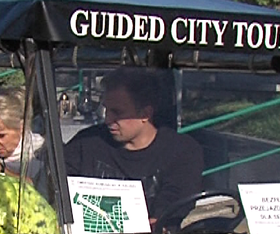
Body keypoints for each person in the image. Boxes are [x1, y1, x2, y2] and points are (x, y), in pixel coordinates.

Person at [63, 67, 203, 223]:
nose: (108, 120)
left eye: (117, 113)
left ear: (145, 114)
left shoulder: (182, 152)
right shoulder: (86, 144)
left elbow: (171, 207)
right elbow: (56, 187)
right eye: (106, 110)